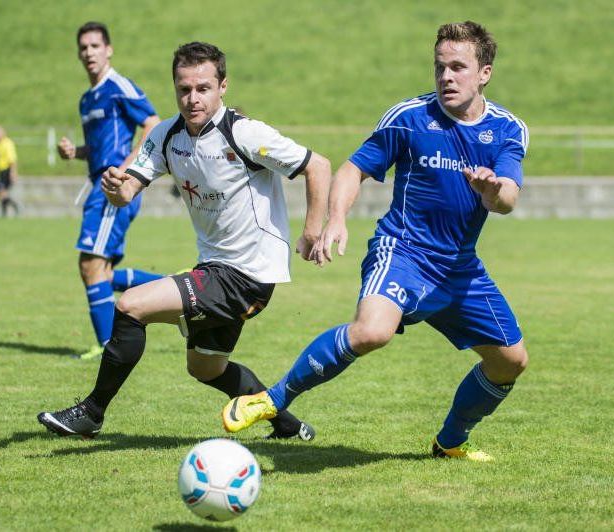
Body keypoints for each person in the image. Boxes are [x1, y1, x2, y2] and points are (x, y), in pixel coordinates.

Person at [221, 21, 530, 462]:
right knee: (371, 331)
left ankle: (451, 442)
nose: (446, 76)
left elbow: (509, 199)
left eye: (458, 67)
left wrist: (491, 190)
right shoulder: (408, 118)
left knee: (510, 362)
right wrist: (337, 219)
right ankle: (272, 398)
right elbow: (352, 170)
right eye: (440, 67)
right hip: (402, 251)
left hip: (459, 268)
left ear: (484, 73)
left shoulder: (507, 129)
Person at [37, 41, 331, 441]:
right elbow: (128, 191)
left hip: (248, 274)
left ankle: (91, 413)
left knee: (131, 306)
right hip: (213, 267)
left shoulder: (244, 133)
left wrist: (313, 230)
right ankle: (286, 424)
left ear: (222, 86)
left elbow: (318, 166)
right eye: (184, 89)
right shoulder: (165, 136)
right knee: (205, 368)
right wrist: (115, 188)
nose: (193, 98)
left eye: (203, 88)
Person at [58, 22, 164, 360]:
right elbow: (99, 148)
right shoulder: (87, 99)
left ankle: (108, 346)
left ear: (108, 49)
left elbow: (152, 124)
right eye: (83, 48)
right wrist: (75, 152)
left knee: (90, 264)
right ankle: (175, 285)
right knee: (100, 271)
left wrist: (129, 168)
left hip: (114, 189)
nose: (89, 52)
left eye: (95, 46)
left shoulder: (119, 86)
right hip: (97, 185)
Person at [0, 126, 20, 217]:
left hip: (6, 171)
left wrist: (13, 172)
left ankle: (15, 207)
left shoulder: (8, 143)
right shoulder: (0, 144)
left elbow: (12, 159)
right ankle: (4, 212)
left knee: (2, 192)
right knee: (1, 192)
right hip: (1, 171)